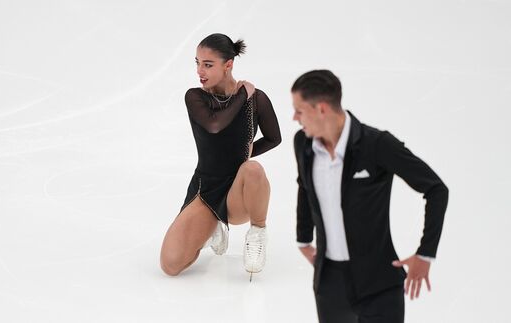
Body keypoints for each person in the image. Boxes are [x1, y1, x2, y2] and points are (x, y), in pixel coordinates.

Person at [291, 69, 449, 322]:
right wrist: (303, 239)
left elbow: (436, 189)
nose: (295, 117)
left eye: (299, 110)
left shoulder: (376, 144)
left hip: (379, 285)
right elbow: (304, 186)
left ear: (321, 109)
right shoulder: (303, 143)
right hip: (330, 284)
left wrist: (425, 253)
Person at [160, 33, 281, 279]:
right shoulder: (195, 97)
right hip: (206, 188)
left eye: (208, 64)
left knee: (252, 168)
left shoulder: (257, 100)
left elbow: (274, 138)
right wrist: (241, 95)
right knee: (170, 265)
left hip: (238, 192)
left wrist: (246, 153)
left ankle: (257, 234)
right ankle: (213, 226)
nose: (199, 71)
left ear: (229, 65)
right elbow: (215, 125)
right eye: (197, 63)